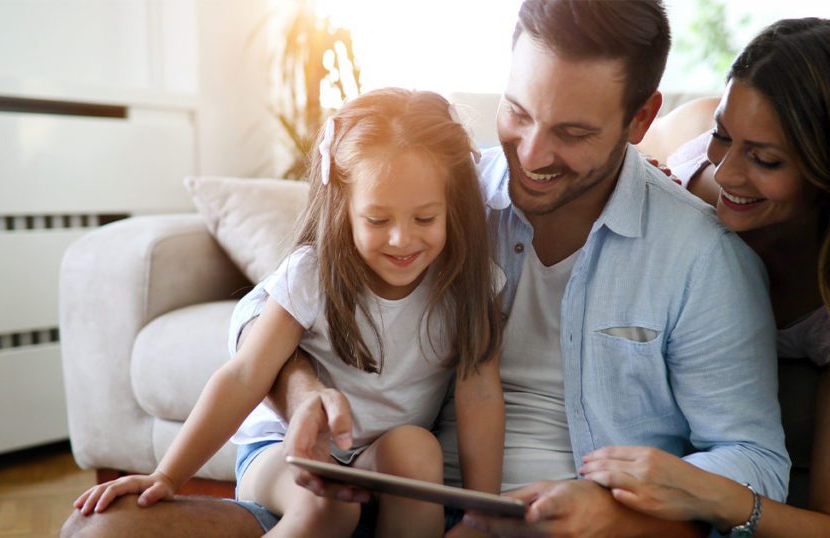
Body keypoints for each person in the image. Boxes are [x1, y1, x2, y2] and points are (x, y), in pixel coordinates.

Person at [61, 1, 790, 536]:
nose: (531, 155)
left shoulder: (700, 257)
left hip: (542, 523)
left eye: (572, 132)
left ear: (639, 120)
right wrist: (304, 384)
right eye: (517, 112)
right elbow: (270, 311)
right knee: (101, 532)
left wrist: (624, 505)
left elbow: (754, 458)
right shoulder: (441, 190)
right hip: (349, 491)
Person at [71, 88, 507, 537]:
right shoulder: (313, 272)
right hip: (285, 453)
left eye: (425, 219)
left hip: (383, 459)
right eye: (378, 220)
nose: (402, 240)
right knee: (327, 502)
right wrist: (166, 475)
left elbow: (480, 396)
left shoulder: (472, 285)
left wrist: (482, 515)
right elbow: (245, 375)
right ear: (345, 209)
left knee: (418, 451)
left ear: (452, 207)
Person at [581, 18, 830, 537]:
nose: (727, 172)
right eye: (725, 137)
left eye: (765, 159)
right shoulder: (693, 177)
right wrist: (631, 175)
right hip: (677, 137)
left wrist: (713, 494)